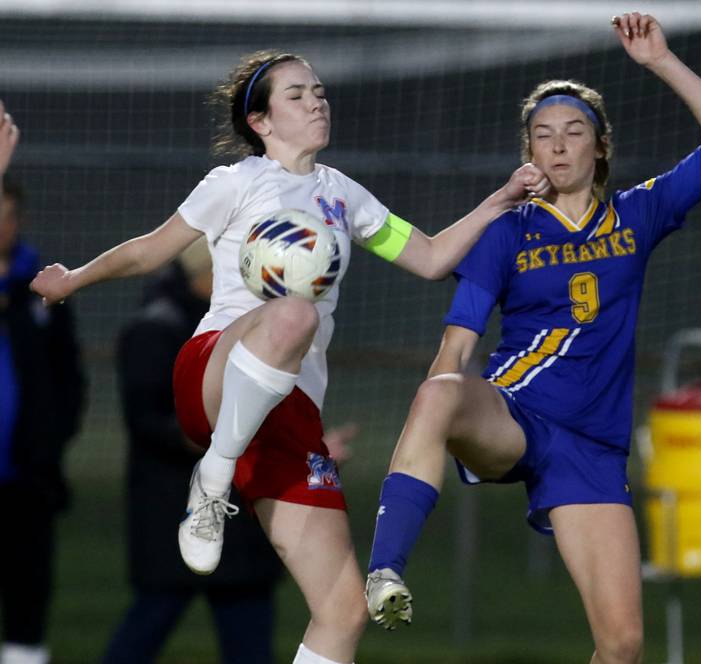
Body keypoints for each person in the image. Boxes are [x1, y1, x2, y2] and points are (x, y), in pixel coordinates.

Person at [30, 50, 551, 664]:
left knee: (343, 611)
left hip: (289, 414)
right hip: (213, 377)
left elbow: (433, 258)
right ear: (262, 121)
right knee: (295, 311)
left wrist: (503, 197)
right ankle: (213, 476)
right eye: (298, 95)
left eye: (320, 92)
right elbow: (151, 251)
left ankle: (223, 475)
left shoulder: (342, 195)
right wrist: (73, 279)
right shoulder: (235, 183)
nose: (317, 102)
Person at [365, 13, 701, 664]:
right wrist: (444, 393)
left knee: (623, 646)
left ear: (599, 146)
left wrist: (660, 61)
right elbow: (457, 343)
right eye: (542, 135)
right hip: (515, 413)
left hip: (592, 449)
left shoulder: (638, 213)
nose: (558, 145)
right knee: (437, 392)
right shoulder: (508, 232)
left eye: (574, 132)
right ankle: (384, 571)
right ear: (529, 152)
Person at [102, 240, 284, 664]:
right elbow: (146, 418)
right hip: (170, 512)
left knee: (249, 638)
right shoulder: (156, 329)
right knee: (146, 627)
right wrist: (211, 437)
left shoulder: (256, 326)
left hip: (241, 519)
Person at [1, 180, 87, 664]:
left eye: (9, 215)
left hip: (27, 479)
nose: (2, 226)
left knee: (27, 598)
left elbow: (68, 377)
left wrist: (52, 439)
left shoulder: (42, 289)